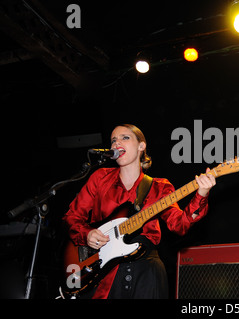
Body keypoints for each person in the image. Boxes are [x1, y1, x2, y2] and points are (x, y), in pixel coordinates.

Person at [62, 124, 216, 299]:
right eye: (113, 140)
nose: (116, 143)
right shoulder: (100, 178)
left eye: (124, 138)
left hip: (145, 271)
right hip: (101, 269)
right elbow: (72, 216)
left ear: (141, 146)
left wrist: (201, 195)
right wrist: (87, 234)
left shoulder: (159, 187)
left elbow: (179, 225)